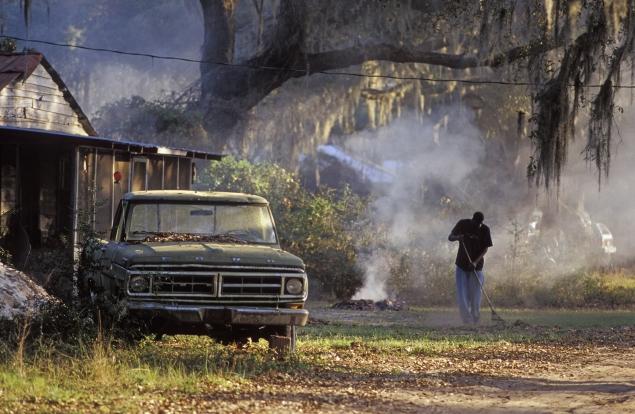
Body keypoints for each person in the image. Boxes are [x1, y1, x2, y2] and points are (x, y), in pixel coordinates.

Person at [448, 211, 493, 325]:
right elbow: (450, 237)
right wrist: (458, 237)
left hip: (476, 267)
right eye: (475, 223)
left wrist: (475, 262)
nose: (477, 226)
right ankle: (466, 319)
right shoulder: (463, 224)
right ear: (472, 219)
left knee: (476, 293)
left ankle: (475, 316)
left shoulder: (485, 230)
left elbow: (485, 249)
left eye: (479, 224)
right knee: (462, 294)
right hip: (462, 265)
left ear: (481, 223)